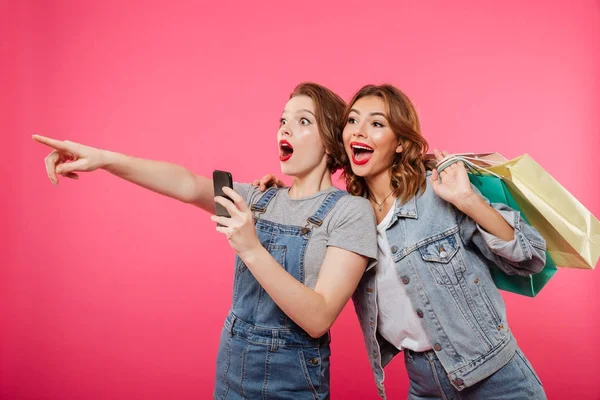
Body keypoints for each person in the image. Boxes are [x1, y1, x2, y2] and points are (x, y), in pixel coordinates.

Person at [33, 82, 378, 399]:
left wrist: (250, 248)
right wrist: (103, 159)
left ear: (332, 143)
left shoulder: (350, 212)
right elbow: (186, 184)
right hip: (232, 367)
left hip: (294, 381)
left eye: (303, 122)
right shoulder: (258, 198)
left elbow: (318, 318)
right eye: (283, 120)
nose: (284, 128)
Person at [255, 84, 547, 399]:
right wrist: (281, 196)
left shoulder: (436, 193)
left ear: (399, 143)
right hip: (424, 382)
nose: (359, 132)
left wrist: (468, 200)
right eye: (352, 121)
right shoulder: (347, 216)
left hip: (494, 376)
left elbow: (530, 258)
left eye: (377, 124)